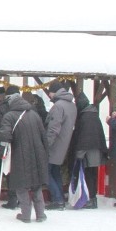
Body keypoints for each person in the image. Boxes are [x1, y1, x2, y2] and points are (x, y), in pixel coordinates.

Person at [0, 86, 49, 223]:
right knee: (36, 185)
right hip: (37, 154)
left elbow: (5, 136)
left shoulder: (9, 116)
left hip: (19, 154)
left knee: (21, 185)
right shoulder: (34, 114)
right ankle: (40, 214)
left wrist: (0, 153)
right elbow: (44, 136)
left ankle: (25, 215)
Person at [69, 92, 107, 209]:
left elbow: (85, 137)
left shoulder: (86, 116)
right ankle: (92, 198)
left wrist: (79, 153)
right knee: (92, 174)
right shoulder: (92, 114)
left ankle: (90, 199)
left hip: (88, 151)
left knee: (89, 175)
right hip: (95, 150)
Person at [44, 81, 77, 210]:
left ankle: (57, 200)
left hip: (54, 144)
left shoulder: (58, 106)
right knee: (55, 171)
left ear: (53, 92)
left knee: (45, 172)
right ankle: (60, 199)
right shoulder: (71, 105)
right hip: (64, 144)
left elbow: (53, 129)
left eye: (49, 92)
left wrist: (45, 144)